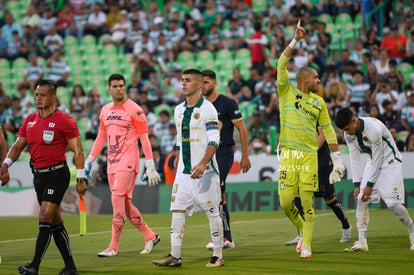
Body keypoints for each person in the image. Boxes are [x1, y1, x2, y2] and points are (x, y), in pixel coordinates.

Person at [0, 79, 87, 275]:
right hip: (38, 176)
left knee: (44, 216)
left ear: (53, 97)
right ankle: (71, 268)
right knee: (55, 222)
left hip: (57, 174)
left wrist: (81, 179)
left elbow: (78, 151)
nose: (37, 98)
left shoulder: (64, 120)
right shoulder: (30, 120)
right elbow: (17, 146)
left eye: (41, 95)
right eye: (36, 95)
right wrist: (5, 164)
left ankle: (34, 267)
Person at [276, 21, 345, 259]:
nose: (319, 81)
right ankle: (304, 231)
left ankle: (307, 244)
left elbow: (328, 129)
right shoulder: (286, 91)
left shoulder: (319, 103)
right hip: (288, 154)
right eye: (316, 78)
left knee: (307, 201)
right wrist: (295, 40)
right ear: (304, 79)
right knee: (286, 203)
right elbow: (281, 63)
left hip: (308, 155)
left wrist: (337, 159)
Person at [152, 69, 224, 268]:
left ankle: (218, 254)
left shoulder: (208, 109)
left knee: (212, 212)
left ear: (199, 85)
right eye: (182, 80)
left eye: (188, 80)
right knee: (177, 211)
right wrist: (177, 156)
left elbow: (214, 139)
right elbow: (179, 138)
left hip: (206, 172)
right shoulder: (178, 109)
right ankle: (175, 256)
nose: (183, 84)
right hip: (183, 174)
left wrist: (203, 163)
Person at [84, 74, 161, 257]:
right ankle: (150, 236)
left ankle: (113, 247)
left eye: (121, 86)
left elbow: (144, 138)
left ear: (125, 88)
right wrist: (89, 160)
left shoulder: (135, 109)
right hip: (111, 163)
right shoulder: (105, 110)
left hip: (128, 162)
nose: (118, 89)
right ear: (109, 89)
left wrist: (149, 164)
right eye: (115, 86)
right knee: (125, 206)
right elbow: (101, 137)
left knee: (117, 201)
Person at [334, 107, 414, 251]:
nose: (346, 132)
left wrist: (369, 185)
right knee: (361, 198)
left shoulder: (373, 129)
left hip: (390, 163)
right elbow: (355, 158)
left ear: (353, 120)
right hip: (373, 163)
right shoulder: (349, 135)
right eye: (343, 130)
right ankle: (362, 242)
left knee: (393, 205)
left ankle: (412, 231)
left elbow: (378, 158)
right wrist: (357, 184)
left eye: (347, 128)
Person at [201, 69, 251, 249]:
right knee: (217, 195)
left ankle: (221, 237)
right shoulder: (199, 105)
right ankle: (226, 237)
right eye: (201, 83)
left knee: (215, 190)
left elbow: (242, 129)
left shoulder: (227, 103)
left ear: (215, 83)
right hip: (206, 154)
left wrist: (245, 155)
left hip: (223, 152)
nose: (203, 86)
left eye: (206, 82)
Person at [285, 127, 352, 246]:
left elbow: (324, 134)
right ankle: (302, 234)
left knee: (329, 200)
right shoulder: (297, 116)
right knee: (297, 198)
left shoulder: (316, 112)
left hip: (321, 163)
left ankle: (346, 227)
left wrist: (310, 150)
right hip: (304, 162)